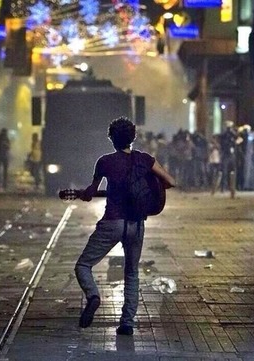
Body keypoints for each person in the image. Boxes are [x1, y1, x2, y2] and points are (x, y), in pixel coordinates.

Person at [74, 116, 176, 336]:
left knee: (83, 265)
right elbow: (170, 181)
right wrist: (150, 187)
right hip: (136, 223)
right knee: (131, 272)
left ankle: (93, 296)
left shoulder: (104, 162)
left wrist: (85, 195)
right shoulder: (145, 160)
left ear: (111, 139)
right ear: (133, 137)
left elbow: (91, 191)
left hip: (112, 222)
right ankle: (127, 323)